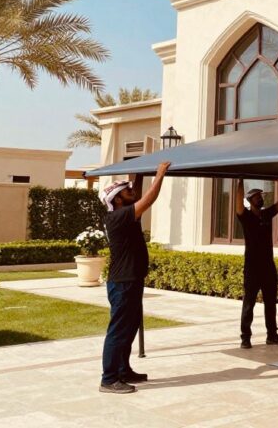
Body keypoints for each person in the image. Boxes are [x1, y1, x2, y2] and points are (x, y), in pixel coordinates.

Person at [97, 161, 171, 394]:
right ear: (118, 200)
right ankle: (109, 379)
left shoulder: (125, 215)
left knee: (129, 329)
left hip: (131, 280)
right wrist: (160, 174)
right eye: (128, 192)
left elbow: (138, 195)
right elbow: (148, 199)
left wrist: (138, 171)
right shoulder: (118, 218)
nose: (133, 193)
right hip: (122, 283)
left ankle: (123, 369)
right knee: (118, 330)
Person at [236, 178, 278, 349]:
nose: (260, 198)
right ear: (250, 201)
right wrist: (240, 179)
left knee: (271, 303)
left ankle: (272, 335)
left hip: (268, 267)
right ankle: (245, 338)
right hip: (252, 268)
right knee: (249, 304)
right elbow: (237, 203)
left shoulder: (267, 214)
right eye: (257, 196)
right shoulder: (245, 216)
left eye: (261, 196)